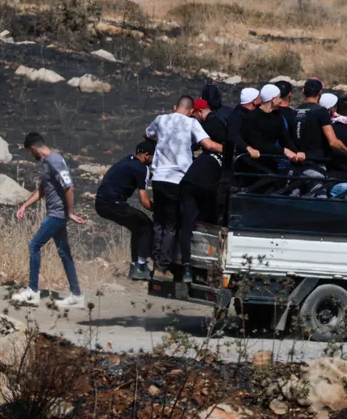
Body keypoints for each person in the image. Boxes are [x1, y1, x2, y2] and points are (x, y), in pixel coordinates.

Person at [145, 96, 222, 280]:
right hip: (177, 178)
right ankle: (163, 268)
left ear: (175, 107)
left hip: (158, 177)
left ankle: (155, 263)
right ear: (190, 111)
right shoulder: (191, 123)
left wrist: (162, 141)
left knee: (159, 222)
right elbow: (208, 145)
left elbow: (147, 134)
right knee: (171, 225)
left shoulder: (161, 119)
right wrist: (230, 149)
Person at [13, 132, 86, 308]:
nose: (32, 157)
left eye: (30, 153)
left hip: (57, 215)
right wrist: (25, 206)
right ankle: (77, 295)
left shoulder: (55, 161)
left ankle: (32, 291)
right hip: (56, 213)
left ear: (33, 148)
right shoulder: (47, 163)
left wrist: (69, 213)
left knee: (34, 245)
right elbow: (43, 189)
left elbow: (69, 187)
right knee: (64, 252)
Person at [95, 139, 156, 280]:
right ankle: (140, 266)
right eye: (153, 157)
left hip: (100, 203)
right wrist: (158, 210)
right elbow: (144, 201)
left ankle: (135, 266)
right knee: (146, 225)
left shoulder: (127, 160)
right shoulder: (142, 168)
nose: (153, 161)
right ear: (147, 155)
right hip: (113, 203)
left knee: (137, 226)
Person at [293, 78, 347, 197]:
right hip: (316, 165)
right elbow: (333, 142)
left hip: (296, 165)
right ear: (320, 93)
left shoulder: (296, 111)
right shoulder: (321, 112)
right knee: (318, 203)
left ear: (303, 91)